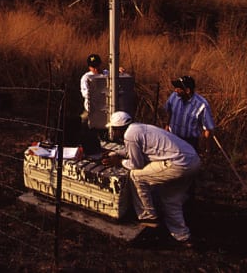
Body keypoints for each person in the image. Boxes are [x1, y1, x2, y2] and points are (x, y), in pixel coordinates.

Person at [102, 111, 199, 246]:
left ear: (118, 129)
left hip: (178, 164)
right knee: (170, 199)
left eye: (114, 129)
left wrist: (118, 162)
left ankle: (148, 217)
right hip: (192, 160)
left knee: (136, 176)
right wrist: (117, 153)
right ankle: (182, 236)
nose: (113, 132)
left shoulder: (130, 135)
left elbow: (136, 164)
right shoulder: (139, 128)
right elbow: (137, 150)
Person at [165, 75, 215, 152]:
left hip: (190, 143)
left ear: (187, 90)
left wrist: (207, 149)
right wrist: (167, 126)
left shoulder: (201, 104)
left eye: (178, 88)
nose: (175, 90)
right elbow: (169, 111)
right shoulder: (174, 96)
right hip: (172, 138)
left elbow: (208, 128)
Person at [79, 53, 106, 156]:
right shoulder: (86, 77)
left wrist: (120, 72)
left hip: (105, 107)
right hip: (91, 108)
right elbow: (85, 93)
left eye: (97, 66)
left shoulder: (106, 73)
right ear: (89, 67)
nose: (96, 69)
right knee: (84, 122)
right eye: (93, 67)